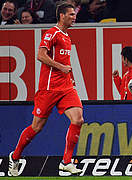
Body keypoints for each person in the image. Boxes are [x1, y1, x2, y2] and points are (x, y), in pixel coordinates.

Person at [8, 3, 83, 176]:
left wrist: (70, 76)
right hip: (49, 88)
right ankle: (16, 156)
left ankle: (66, 162)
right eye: (71, 14)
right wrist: (60, 67)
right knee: (37, 127)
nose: (74, 17)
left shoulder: (67, 36)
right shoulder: (52, 33)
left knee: (78, 119)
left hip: (66, 87)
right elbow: (40, 55)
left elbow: (65, 63)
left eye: (74, 14)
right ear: (61, 16)